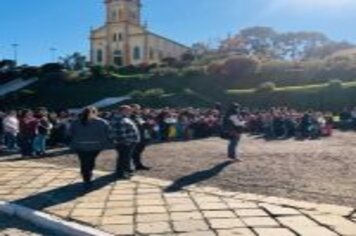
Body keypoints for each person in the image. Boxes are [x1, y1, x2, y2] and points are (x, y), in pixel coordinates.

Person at [70, 107, 110, 188]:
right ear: (95, 112)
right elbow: (107, 133)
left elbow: (71, 133)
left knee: (84, 161)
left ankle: (86, 178)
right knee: (90, 161)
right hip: (95, 145)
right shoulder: (102, 122)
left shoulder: (76, 122)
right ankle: (88, 175)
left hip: (79, 145)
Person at [111, 105, 140, 179]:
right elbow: (120, 134)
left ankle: (122, 172)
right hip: (125, 143)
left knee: (124, 158)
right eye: (128, 110)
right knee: (124, 158)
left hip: (128, 142)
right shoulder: (119, 118)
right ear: (122, 111)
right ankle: (122, 174)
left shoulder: (124, 118)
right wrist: (127, 142)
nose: (130, 112)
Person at [130, 104, 151, 171]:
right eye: (136, 108)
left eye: (138, 108)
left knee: (138, 152)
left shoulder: (139, 116)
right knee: (132, 152)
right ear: (131, 109)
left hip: (142, 136)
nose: (138, 109)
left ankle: (138, 165)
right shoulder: (129, 117)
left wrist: (148, 124)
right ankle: (130, 167)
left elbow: (143, 125)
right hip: (134, 137)